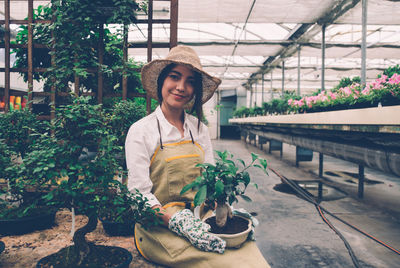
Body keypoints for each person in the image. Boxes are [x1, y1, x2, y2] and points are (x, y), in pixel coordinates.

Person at [125, 45, 269, 267]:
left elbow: (210, 179)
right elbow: (139, 196)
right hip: (159, 228)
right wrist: (179, 223)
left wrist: (222, 207)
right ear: (162, 81)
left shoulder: (198, 129)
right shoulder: (142, 131)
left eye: (190, 81)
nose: (181, 87)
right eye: (175, 77)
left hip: (200, 218)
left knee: (251, 255)